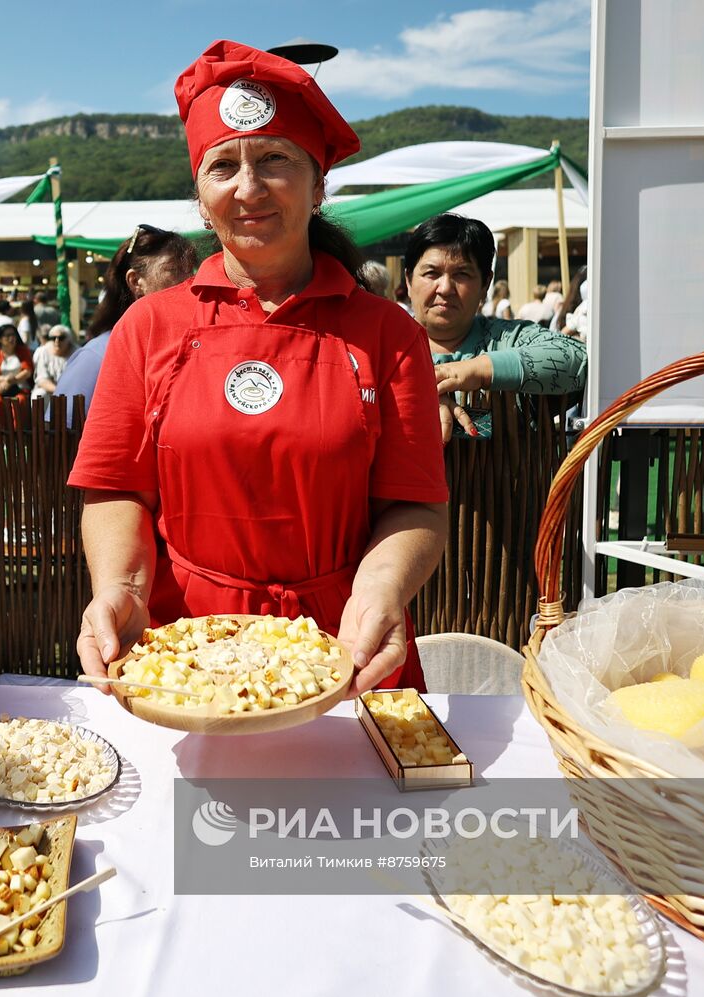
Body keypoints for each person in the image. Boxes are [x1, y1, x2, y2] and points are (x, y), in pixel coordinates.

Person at [70, 40, 449, 695]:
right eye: (223, 167)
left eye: (275, 160)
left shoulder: (388, 335)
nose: (249, 189)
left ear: (318, 181)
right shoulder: (149, 327)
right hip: (185, 651)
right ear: (199, 192)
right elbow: (118, 490)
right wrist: (119, 589)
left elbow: (415, 505)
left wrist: (381, 589)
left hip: (342, 650)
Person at [404, 213, 587, 443]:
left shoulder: (508, 338)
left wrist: (480, 369)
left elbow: (580, 360)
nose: (446, 287)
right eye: (432, 273)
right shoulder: (384, 344)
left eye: (462, 274)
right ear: (409, 280)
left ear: (485, 284)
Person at [53, 224, 198, 419]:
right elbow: (61, 434)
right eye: (174, 270)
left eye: (191, 270)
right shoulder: (97, 356)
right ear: (136, 281)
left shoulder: (193, 344)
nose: (190, 281)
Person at [0, 324, 34, 401]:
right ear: (0, 339)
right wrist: (5, 379)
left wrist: (11, 382)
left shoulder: (23, 350)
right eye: (8, 335)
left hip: (20, 387)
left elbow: (27, 371)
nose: (11, 338)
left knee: (19, 401)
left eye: (13, 335)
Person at [31, 324, 74, 399]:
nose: (57, 341)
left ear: (68, 340)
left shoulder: (76, 353)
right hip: (49, 390)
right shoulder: (43, 351)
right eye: (53, 338)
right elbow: (41, 379)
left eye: (61, 338)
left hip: (71, 391)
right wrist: (57, 390)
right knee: (39, 395)